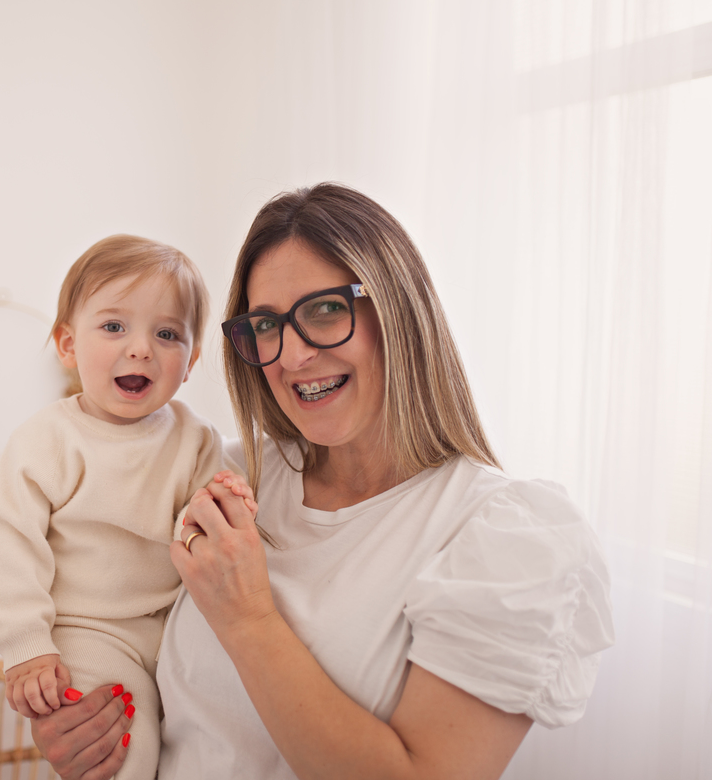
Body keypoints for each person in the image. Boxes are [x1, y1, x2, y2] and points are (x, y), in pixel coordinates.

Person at [30, 184, 615, 780]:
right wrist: (86, 719)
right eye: (266, 324)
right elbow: (109, 615)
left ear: (399, 311)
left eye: (326, 310)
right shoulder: (226, 478)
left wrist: (249, 617)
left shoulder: (505, 539)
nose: (292, 355)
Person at [0, 234, 253, 780]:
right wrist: (27, 647)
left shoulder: (196, 439)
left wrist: (229, 499)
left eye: (167, 333)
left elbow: (198, 524)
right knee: (126, 751)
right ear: (67, 345)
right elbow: (11, 545)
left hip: (175, 628)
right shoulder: (48, 440)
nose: (141, 348)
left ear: (191, 361)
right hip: (90, 631)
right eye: (113, 326)